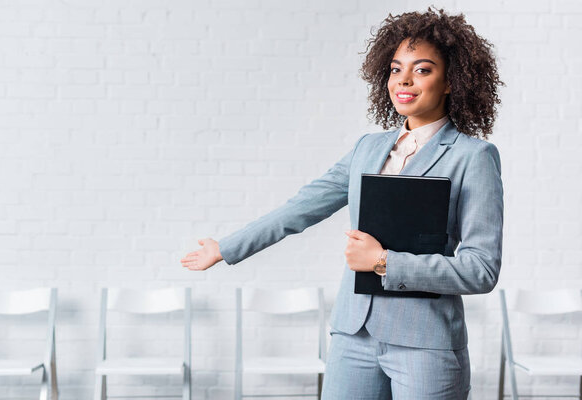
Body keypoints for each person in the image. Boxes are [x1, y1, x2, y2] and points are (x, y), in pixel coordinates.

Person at [181, 7, 504, 400]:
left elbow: (481, 269)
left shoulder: (474, 157)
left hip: (425, 343)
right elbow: (302, 207)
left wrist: (384, 262)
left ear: (451, 80)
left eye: (422, 69)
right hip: (354, 335)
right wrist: (227, 247)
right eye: (395, 68)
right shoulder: (368, 148)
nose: (404, 80)